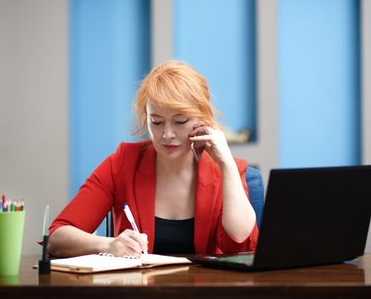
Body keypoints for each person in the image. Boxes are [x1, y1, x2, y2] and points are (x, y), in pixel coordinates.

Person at [48, 60, 258, 257]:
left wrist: (227, 164)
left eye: (180, 121)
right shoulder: (122, 164)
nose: (167, 134)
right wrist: (108, 245)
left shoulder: (227, 169)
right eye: (156, 122)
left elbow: (240, 243)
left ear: (202, 118)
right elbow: (57, 237)